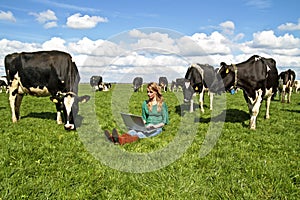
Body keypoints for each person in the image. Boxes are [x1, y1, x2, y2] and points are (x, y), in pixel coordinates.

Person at [104, 82, 169, 144]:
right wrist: (135, 121)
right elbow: (144, 119)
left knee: (139, 134)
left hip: (157, 128)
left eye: (151, 92)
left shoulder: (162, 104)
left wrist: (154, 126)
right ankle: (114, 139)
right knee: (132, 132)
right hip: (146, 127)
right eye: (147, 92)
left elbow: (164, 122)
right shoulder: (145, 103)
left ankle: (121, 140)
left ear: (156, 92)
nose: (148, 94)